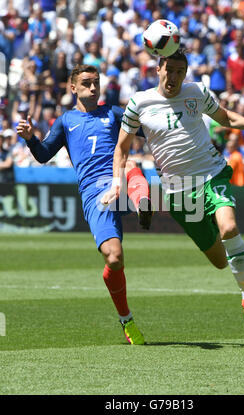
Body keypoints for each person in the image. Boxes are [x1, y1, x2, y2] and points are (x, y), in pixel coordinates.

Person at [102, 49, 244, 333]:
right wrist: (116, 183)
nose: (173, 76)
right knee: (221, 262)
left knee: (230, 228)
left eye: (179, 71)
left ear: (185, 75)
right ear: (158, 68)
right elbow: (121, 149)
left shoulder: (197, 92)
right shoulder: (140, 102)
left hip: (212, 173)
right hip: (179, 191)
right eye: (169, 69)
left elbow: (225, 118)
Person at [16, 64, 153, 345]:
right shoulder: (66, 121)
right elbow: (43, 155)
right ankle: (126, 320)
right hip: (95, 193)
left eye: (96, 83)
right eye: (87, 83)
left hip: (119, 177)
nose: (93, 88)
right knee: (114, 258)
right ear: (73, 88)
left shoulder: (114, 114)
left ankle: (143, 204)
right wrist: (31, 138)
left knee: (129, 164)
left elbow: (149, 132)